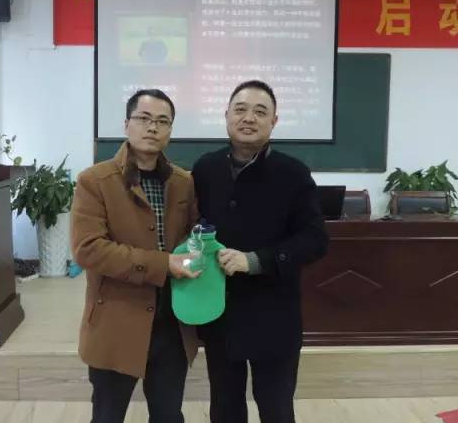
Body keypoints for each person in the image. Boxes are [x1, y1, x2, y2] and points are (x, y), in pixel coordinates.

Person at [192, 80, 330, 423]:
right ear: (226, 115)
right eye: (240, 109)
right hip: (219, 313)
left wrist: (255, 261)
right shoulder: (205, 169)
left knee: (276, 409)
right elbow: (192, 225)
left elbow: (315, 239)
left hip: (275, 315)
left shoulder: (293, 173)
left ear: (274, 121)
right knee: (225, 408)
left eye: (260, 111)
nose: (249, 118)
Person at [71, 88, 200, 423]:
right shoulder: (94, 181)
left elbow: (194, 237)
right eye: (144, 118)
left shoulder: (184, 182)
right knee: (108, 415)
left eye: (162, 121)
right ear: (126, 123)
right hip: (116, 318)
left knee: (168, 415)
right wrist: (163, 264)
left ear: (170, 130)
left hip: (172, 322)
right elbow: (88, 249)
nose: (152, 127)